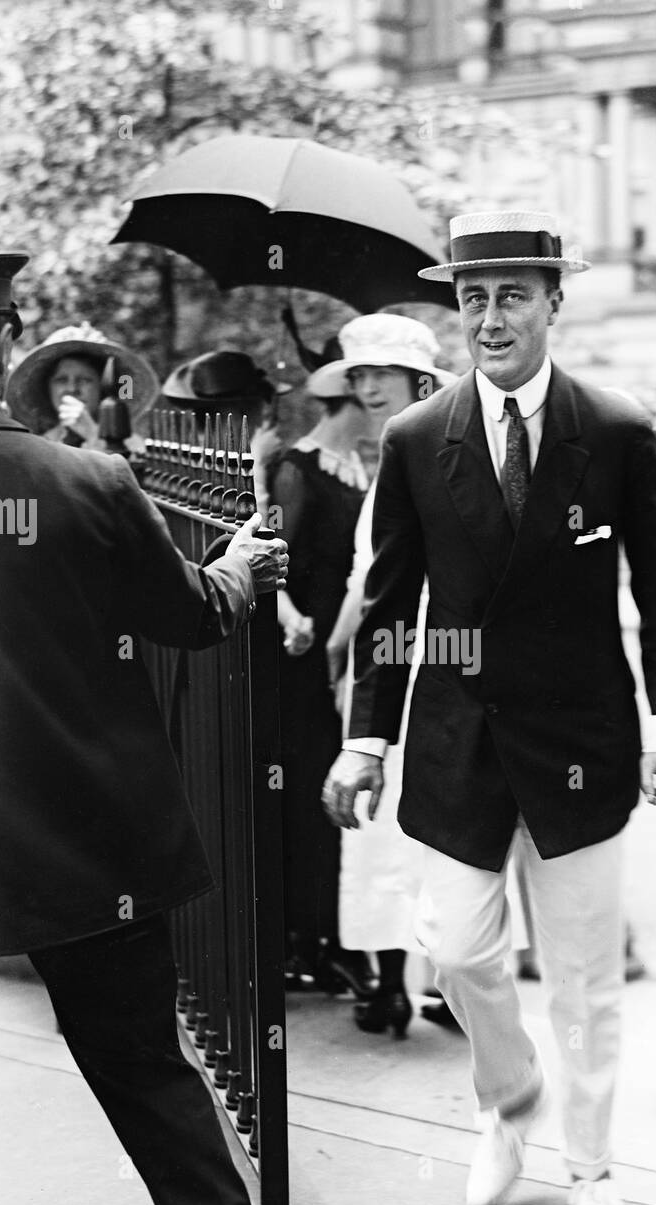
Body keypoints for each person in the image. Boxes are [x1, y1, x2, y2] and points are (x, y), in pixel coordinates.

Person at [323, 211, 656, 1205]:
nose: (489, 319)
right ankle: (507, 1093)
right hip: (456, 743)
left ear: (552, 303)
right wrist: (365, 741)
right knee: (455, 951)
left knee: (581, 982)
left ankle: (591, 1171)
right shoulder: (412, 437)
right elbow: (391, 603)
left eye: (511, 297)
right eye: (473, 298)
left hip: (582, 749)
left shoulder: (615, 430)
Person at [0, 253, 289, 1205]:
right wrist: (240, 566)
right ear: (8, 341)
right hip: (85, 848)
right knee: (155, 1088)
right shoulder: (91, 482)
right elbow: (191, 614)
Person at [312, 314, 456, 1038]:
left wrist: (337, 648)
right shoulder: (394, 459)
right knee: (390, 822)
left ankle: (440, 981)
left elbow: (372, 583)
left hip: (432, 658)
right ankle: (398, 980)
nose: (367, 387)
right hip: (396, 658)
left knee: (436, 820)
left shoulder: (434, 451)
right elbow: (366, 579)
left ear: (418, 380)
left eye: (381, 375)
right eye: (358, 376)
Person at [268, 365, 372, 995]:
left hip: (351, 655)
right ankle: (304, 942)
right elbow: (270, 551)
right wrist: (292, 619)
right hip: (304, 657)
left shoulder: (360, 468)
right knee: (308, 795)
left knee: (337, 794)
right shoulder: (295, 469)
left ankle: (337, 938)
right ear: (351, 398)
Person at [161, 348, 292, 516]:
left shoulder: (198, 455)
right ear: (236, 416)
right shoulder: (196, 468)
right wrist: (256, 463)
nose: (260, 422)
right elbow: (250, 533)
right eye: (257, 412)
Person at [5, 320, 158, 450]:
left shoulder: (130, 444)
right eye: (61, 380)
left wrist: (92, 434)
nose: (72, 389)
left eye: (84, 380)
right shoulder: (38, 446)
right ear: (48, 387)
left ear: (102, 387)